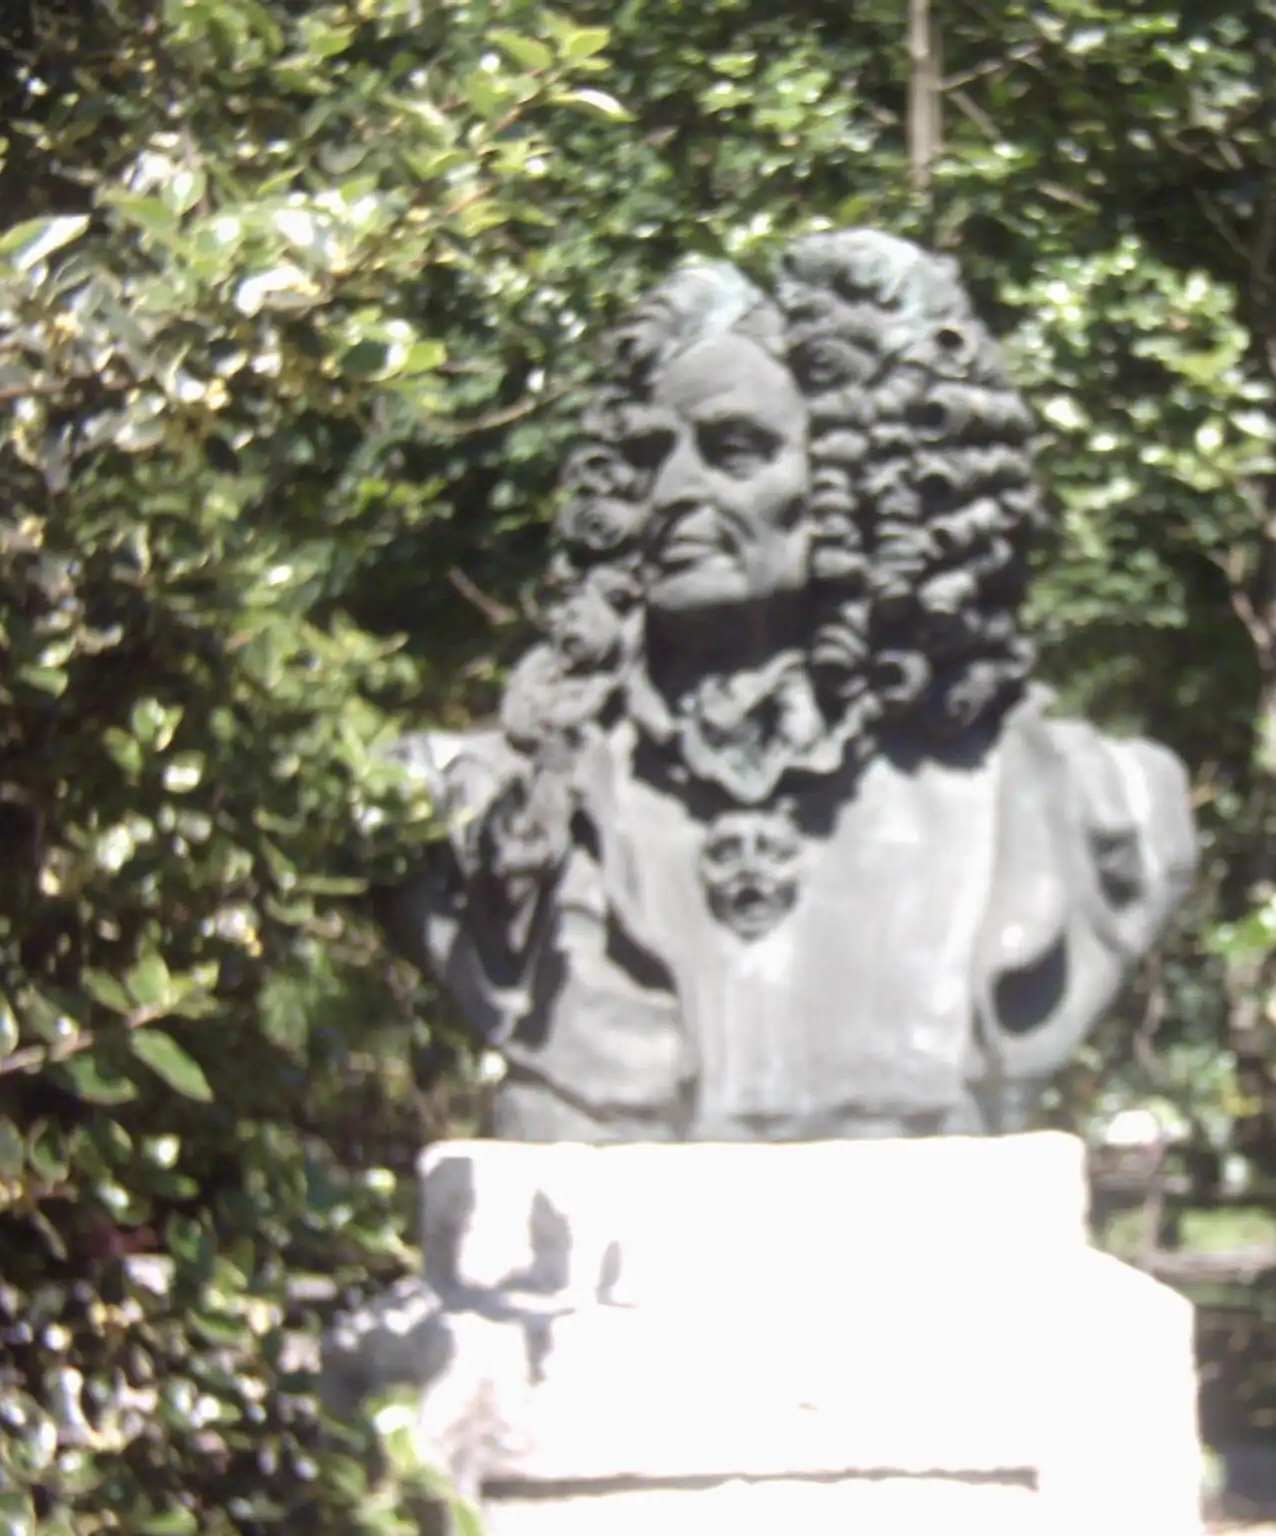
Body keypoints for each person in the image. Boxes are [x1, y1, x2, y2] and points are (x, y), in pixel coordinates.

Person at [384, 229, 1197, 1142]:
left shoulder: (1085, 808)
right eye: (653, 457)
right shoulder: (475, 816)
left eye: (735, 450)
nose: (676, 493)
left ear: (863, 481)